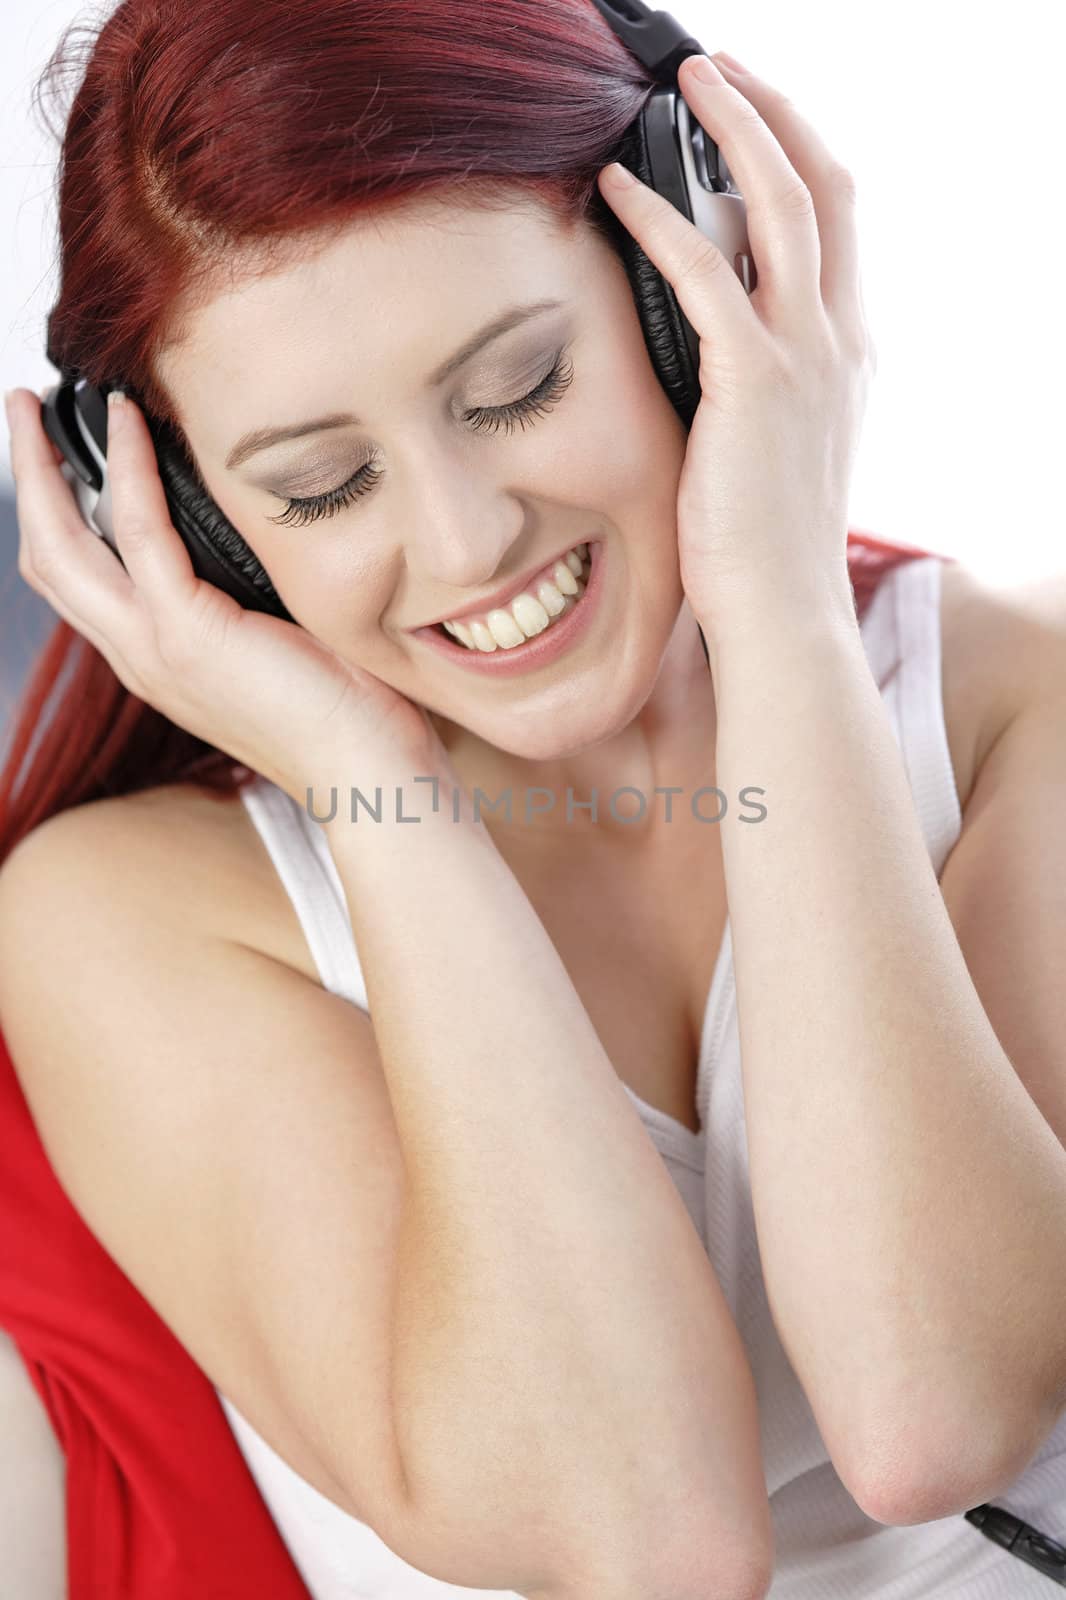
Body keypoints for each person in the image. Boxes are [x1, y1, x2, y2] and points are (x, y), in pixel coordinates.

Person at [2, 1, 1065, 1596]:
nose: (462, 539)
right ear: (190, 526)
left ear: (699, 268)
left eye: (515, 385)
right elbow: (637, 1539)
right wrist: (379, 799)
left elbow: (935, 1409)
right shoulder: (122, 914)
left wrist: (773, 600)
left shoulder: (1013, 702)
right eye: (317, 486)